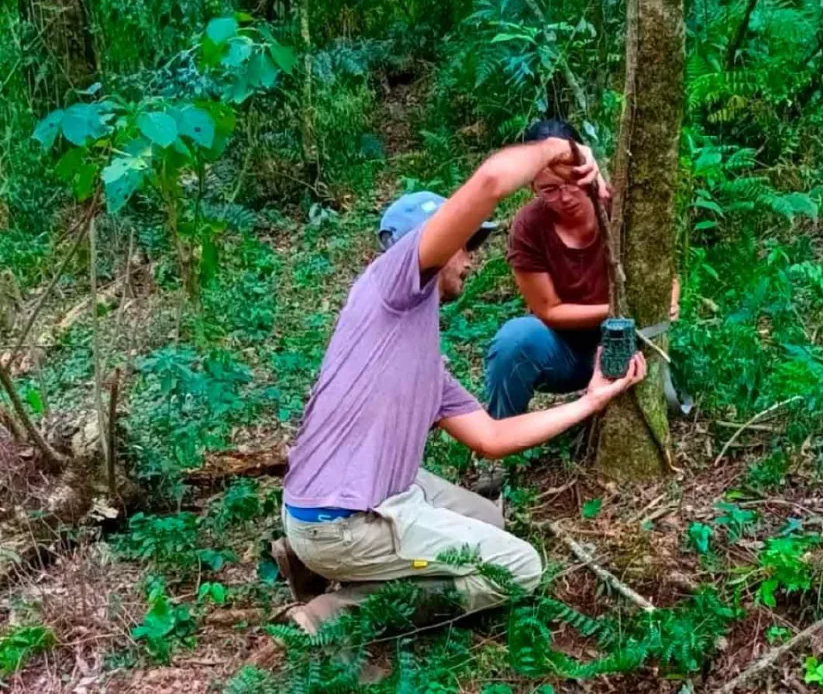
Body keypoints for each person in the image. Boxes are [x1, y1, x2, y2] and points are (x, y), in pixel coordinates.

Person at [275, 136, 647, 634]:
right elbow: (491, 183)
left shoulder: (414, 345)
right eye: (465, 243)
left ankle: (319, 562)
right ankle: (336, 616)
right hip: (339, 519)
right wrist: (560, 148)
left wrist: (592, 398)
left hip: (370, 494)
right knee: (518, 568)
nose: (471, 257)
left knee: (488, 522)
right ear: (432, 245)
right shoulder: (392, 286)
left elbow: (491, 438)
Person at [485, 119, 680, 423]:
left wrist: (667, 299)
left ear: (587, 170)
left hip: (634, 341)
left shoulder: (622, 207)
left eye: (572, 183)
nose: (564, 197)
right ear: (531, 187)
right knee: (514, 340)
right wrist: (616, 309)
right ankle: (501, 443)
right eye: (548, 189)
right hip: (569, 352)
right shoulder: (529, 227)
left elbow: (664, 272)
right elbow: (548, 309)